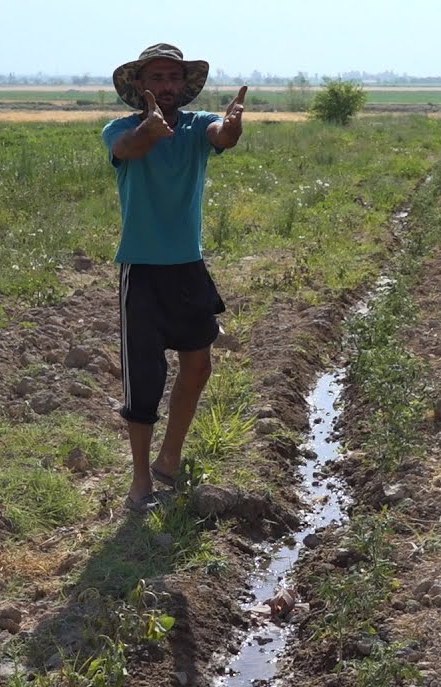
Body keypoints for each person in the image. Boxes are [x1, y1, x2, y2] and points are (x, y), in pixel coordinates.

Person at [101, 43, 248, 512]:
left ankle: (170, 458)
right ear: (140, 85)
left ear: (184, 86)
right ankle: (140, 484)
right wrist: (149, 130)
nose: (165, 86)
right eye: (156, 78)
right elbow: (129, 149)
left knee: (199, 366)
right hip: (142, 270)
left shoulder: (194, 126)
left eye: (173, 78)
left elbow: (221, 136)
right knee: (143, 380)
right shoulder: (119, 130)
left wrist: (233, 126)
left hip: (187, 267)